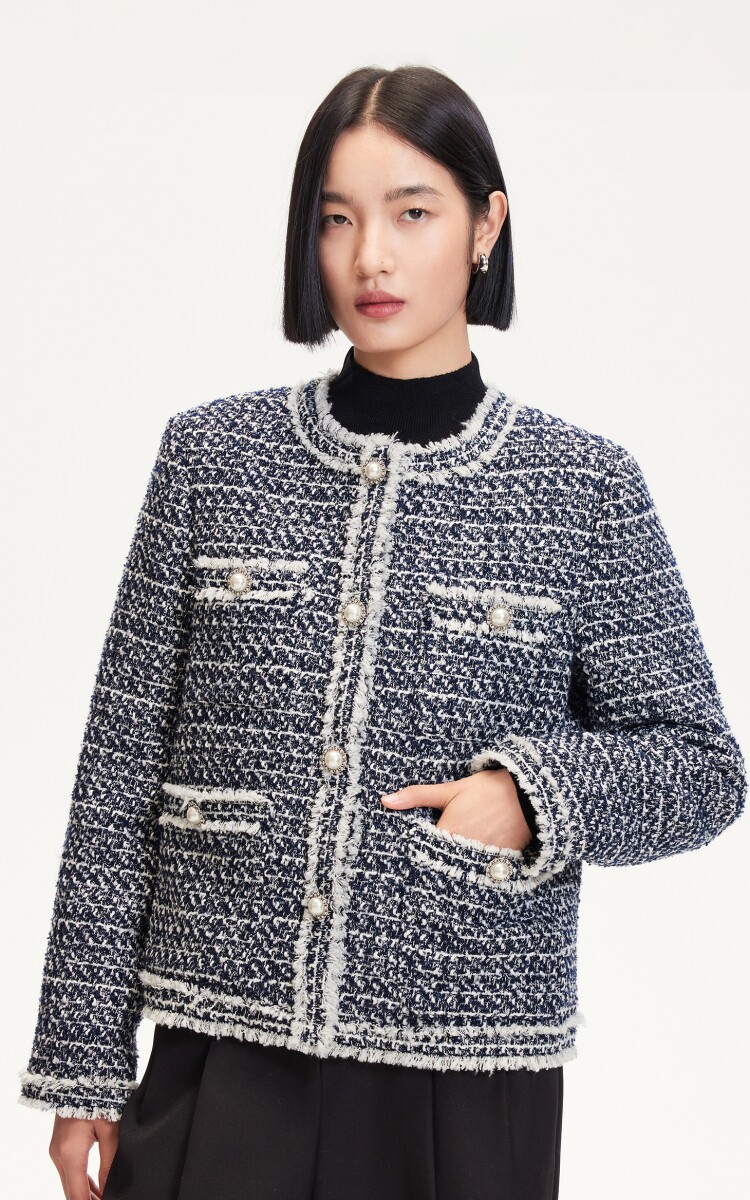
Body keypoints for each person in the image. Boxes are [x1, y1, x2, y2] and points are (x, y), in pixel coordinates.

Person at [18, 63, 746, 1200]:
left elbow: (701, 768)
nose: (371, 259)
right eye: (338, 219)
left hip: (467, 1085)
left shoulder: (584, 489)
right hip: (221, 1057)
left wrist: (531, 794)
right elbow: (120, 774)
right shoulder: (210, 459)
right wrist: (82, 1062)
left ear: (485, 226)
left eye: (413, 213)